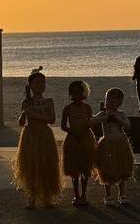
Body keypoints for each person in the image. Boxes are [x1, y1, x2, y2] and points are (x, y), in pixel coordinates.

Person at [12, 68, 62, 208]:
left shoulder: (49, 101)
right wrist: (24, 114)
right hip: (30, 136)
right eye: (37, 83)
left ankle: (47, 197)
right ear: (31, 85)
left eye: (43, 83)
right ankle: (32, 197)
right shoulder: (26, 102)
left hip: (45, 135)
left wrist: (35, 115)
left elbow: (52, 119)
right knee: (31, 166)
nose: (40, 86)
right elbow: (21, 123)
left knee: (46, 165)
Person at [92, 88, 134, 206]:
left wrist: (117, 119)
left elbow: (128, 125)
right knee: (107, 168)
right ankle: (108, 195)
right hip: (107, 143)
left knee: (122, 167)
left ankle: (122, 193)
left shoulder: (121, 114)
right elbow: (93, 121)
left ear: (119, 102)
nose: (109, 101)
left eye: (112, 100)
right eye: (107, 99)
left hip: (120, 143)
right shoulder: (103, 113)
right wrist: (104, 118)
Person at [60, 80, 96, 207]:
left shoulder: (87, 107)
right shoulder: (67, 109)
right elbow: (63, 125)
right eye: (74, 93)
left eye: (78, 92)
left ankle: (84, 195)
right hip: (73, 140)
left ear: (83, 93)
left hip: (86, 139)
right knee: (74, 169)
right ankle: (76, 195)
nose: (76, 95)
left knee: (86, 168)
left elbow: (90, 122)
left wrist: (84, 129)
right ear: (71, 94)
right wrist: (72, 132)